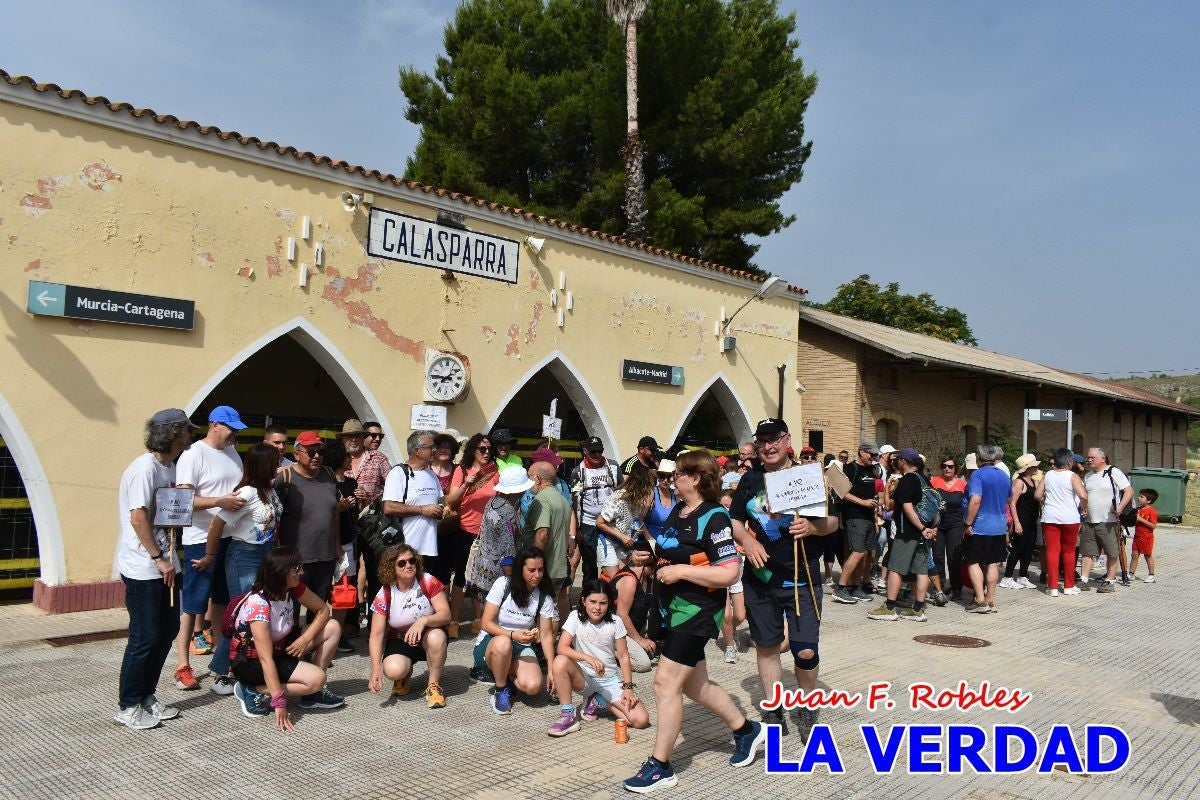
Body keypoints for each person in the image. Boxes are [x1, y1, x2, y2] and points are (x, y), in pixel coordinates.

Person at [623, 450, 766, 793]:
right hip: (672, 609)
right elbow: (675, 548)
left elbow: (729, 571)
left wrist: (682, 571)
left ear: (697, 477)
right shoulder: (679, 509)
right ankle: (747, 730)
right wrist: (649, 555)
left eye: (680, 474)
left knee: (664, 684)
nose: (673, 478)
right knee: (694, 685)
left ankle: (661, 766)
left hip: (698, 611)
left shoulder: (714, 516)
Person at [113, 408, 195, 730]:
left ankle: (147, 697)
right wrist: (157, 558)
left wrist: (171, 558)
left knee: (166, 633)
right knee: (145, 636)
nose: (191, 435)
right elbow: (138, 517)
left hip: (168, 564)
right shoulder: (144, 468)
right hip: (144, 567)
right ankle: (128, 705)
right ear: (174, 434)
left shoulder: (168, 466)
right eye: (187, 430)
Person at [228, 546, 345, 726]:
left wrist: (305, 639)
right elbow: (265, 658)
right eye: (296, 568)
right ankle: (252, 689)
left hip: (279, 647)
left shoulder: (292, 587)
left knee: (332, 627)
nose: (302, 572)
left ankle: (312, 695)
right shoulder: (258, 604)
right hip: (250, 662)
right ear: (281, 573)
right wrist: (279, 703)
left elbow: (322, 610)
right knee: (317, 679)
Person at [175, 405, 246, 697]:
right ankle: (182, 664)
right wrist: (220, 501)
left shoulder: (232, 452)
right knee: (193, 605)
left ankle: (220, 658)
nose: (235, 433)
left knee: (223, 600)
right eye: (231, 428)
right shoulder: (193, 455)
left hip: (231, 537)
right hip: (200, 539)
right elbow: (182, 499)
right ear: (215, 425)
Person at [196, 443, 284, 679]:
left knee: (258, 614)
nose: (278, 466)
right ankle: (219, 671)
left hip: (265, 553)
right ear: (263, 466)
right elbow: (217, 524)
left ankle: (242, 665)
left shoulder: (270, 490)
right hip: (244, 556)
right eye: (274, 462)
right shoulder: (247, 493)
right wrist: (210, 555)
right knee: (242, 615)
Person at [547, 579, 649, 736]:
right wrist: (587, 658)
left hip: (609, 681)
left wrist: (628, 688)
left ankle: (599, 702)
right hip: (584, 677)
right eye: (592, 601)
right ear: (583, 601)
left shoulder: (616, 622)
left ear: (609, 603)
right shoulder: (575, 616)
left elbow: (623, 657)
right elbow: (562, 648)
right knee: (560, 661)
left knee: (640, 720)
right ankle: (568, 715)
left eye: (603, 603)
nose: (597, 607)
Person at [474, 547, 558, 715]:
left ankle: (506, 676)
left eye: (541, 570)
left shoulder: (544, 597)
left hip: (521, 644)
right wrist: (513, 635)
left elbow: (547, 635)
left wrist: (551, 670)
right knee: (504, 643)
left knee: (534, 686)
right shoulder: (503, 584)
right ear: (520, 569)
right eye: (531, 570)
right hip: (493, 642)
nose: (537, 575)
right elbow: (486, 623)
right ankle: (500, 690)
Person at [367, 544, 451, 708]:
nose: (408, 565)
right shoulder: (385, 592)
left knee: (437, 637)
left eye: (412, 560)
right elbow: (376, 635)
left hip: (428, 636)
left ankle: (433, 685)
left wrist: (424, 621)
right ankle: (403, 675)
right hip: (400, 639)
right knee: (392, 670)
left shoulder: (427, 581)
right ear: (391, 566)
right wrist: (375, 669)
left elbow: (446, 615)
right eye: (402, 563)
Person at [274, 432, 343, 623]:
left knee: (319, 606)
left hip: (325, 556)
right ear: (296, 454)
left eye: (320, 452)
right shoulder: (285, 478)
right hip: (296, 558)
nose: (317, 456)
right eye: (311, 452)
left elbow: (334, 512)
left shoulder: (328, 474)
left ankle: (313, 646)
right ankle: (291, 647)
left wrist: (337, 546)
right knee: (290, 608)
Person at [867, 448, 938, 623]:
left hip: (908, 532)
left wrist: (921, 528)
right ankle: (918, 609)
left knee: (896, 568)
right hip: (924, 532)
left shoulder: (908, 480)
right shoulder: (924, 479)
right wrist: (929, 528)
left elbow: (903, 508)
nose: (895, 461)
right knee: (921, 570)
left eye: (897, 459)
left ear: (904, 461)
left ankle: (889, 607)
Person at [380, 430, 444, 606]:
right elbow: (389, 506)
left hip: (429, 547)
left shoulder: (431, 475)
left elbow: (439, 501)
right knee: (402, 593)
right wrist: (422, 510)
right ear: (417, 450)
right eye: (431, 447)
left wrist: (441, 510)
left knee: (422, 594)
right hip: (406, 546)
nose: (435, 450)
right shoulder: (399, 473)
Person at [445, 433, 499, 637]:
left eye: (489, 449)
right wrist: (467, 483)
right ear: (473, 451)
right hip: (465, 530)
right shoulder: (462, 470)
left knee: (483, 577)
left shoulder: (494, 472)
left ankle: (480, 619)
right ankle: (454, 621)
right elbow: (451, 500)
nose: (487, 452)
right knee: (461, 577)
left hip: (488, 532)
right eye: (482, 449)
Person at [467, 465, 531, 600]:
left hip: (485, 570)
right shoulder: (507, 513)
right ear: (519, 491)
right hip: (499, 578)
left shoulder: (493, 501)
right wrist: (513, 584)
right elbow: (507, 553)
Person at [963, 444, 1012, 613]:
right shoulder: (1004, 475)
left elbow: (975, 500)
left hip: (981, 525)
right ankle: (991, 599)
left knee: (972, 561)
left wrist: (968, 523)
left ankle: (980, 600)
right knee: (992, 562)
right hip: (999, 525)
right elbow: (1008, 499)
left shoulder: (977, 475)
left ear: (978, 457)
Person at [523, 461, 574, 621]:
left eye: (529, 477)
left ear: (537, 479)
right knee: (551, 608)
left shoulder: (542, 500)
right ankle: (549, 642)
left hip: (545, 567)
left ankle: (545, 644)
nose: (528, 481)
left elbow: (542, 533)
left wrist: (533, 562)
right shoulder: (562, 500)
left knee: (545, 612)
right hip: (557, 566)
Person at [1034, 448, 1088, 597]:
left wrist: (1048, 501)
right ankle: (1069, 586)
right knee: (1069, 551)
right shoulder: (1073, 476)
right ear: (1069, 462)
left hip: (1050, 516)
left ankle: (1052, 587)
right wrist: (1083, 509)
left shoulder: (1048, 475)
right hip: (1070, 517)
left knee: (1052, 551)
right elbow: (1083, 496)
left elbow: (1037, 495)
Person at [832, 441, 880, 604]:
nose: (873, 458)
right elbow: (841, 492)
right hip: (854, 516)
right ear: (861, 452)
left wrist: (874, 516)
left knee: (866, 553)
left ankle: (855, 586)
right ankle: (841, 588)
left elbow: (871, 494)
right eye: (870, 454)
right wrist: (863, 502)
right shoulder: (850, 468)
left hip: (868, 517)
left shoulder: (871, 469)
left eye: (875, 455)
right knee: (858, 552)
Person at [1080, 448, 1133, 593]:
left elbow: (1128, 491)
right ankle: (1084, 579)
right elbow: (1085, 495)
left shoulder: (1113, 471)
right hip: (1090, 520)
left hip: (1108, 520)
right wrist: (1082, 508)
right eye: (1088, 457)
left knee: (1112, 552)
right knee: (1087, 551)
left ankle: (1110, 581)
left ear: (1102, 458)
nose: (1089, 460)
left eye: (1093, 457)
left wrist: (1121, 508)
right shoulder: (1088, 476)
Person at [571, 436, 622, 583]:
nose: (597, 455)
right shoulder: (578, 472)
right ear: (585, 451)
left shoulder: (612, 467)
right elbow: (575, 500)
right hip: (588, 524)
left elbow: (621, 491)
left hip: (609, 522)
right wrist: (577, 529)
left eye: (600, 451)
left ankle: (609, 592)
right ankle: (588, 596)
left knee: (612, 560)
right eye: (593, 452)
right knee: (589, 565)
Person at [595, 467, 654, 578]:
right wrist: (622, 536)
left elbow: (636, 520)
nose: (649, 491)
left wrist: (647, 537)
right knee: (616, 580)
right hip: (608, 542)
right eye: (648, 487)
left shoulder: (636, 499)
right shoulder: (618, 498)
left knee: (627, 578)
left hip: (624, 545)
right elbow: (599, 523)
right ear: (639, 485)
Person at [1001, 454, 1042, 589]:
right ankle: (1007, 577)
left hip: (1032, 520)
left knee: (1029, 549)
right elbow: (1012, 503)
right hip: (1022, 519)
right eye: (1033, 465)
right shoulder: (1019, 482)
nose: (1036, 467)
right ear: (1027, 468)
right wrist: (1017, 523)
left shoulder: (1034, 481)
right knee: (1018, 549)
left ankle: (1023, 576)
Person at [931, 456, 967, 601]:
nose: (947, 469)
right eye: (944, 466)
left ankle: (956, 587)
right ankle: (939, 586)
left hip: (955, 524)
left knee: (954, 558)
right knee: (938, 556)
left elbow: (967, 505)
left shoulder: (962, 484)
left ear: (955, 468)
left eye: (950, 466)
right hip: (938, 524)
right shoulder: (935, 481)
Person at [718, 488, 746, 665]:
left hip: (738, 572)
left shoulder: (741, 524)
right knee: (726, 614)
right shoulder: (715, 523)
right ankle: (729, 647)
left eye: (730, 507)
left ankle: (731, 630)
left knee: (740, 616)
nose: (726, 511)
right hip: (719, 571)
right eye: (723, 506)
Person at [346, 419, 390, 507]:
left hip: (371, 516)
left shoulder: (380, 458)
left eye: (380, 436)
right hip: (346, 514)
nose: (377, 439)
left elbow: (393, 485)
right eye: (373, 435)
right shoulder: (340, 458)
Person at [643, 459, 677, 541]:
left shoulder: (676, 495)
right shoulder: (651, 493)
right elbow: (640, 519)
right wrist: (650, 539)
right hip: (653, 539)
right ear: (658, 476)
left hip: (671, 540)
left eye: (669, 477)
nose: (665, 480)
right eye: (662, 476)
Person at [1130, 489, 1159, 582]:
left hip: (1146, 538)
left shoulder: (1152, 511)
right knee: (1134, 555)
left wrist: (1141, 520)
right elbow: (1134, 522)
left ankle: (1151, 575)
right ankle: (1131, 574)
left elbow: (1153, 525)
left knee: (1147, 556)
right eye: (1139, 496)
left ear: (1149, 500)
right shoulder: (1138, 510)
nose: (1139, 498)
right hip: (1137, 537)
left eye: (1142, 497)